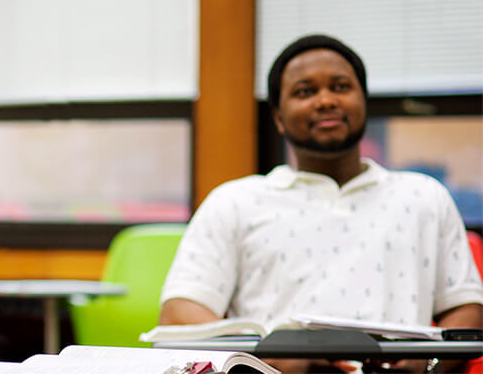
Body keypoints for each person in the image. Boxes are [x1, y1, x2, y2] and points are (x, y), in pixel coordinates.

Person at [158, 34, 483, 373]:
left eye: (340, 87)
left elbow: (466, 311)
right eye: (305, 92)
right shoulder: (234, 201)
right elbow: (179, 314)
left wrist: (425, 366)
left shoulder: (424, 196)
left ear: (364, 101)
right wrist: (274, 360)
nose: (326, 100)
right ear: (279, 118)